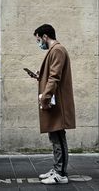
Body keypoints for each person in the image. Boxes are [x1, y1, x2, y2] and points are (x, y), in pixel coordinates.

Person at [31, 24, 76, 185]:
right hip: (54, 101)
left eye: (38, 40)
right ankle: (57, 169)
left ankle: (61, 174)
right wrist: (39, 75)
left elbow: (54, 77)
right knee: (55, 136)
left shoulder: (57, 50)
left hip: (57, 103)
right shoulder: (55, 50)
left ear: (44, 36)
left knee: (58, 138)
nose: (39, 44)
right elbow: (51, 75)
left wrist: (45, 97)